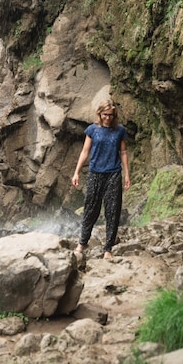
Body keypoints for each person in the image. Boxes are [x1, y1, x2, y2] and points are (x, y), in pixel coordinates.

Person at [72, 98, 130, 260]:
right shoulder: (92, 130)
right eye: (105, 114)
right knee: (90, 209)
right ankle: (82, 243)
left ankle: (108, 249)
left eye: (111, 115)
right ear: (99, 113)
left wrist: (127, 175)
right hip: (95, 173)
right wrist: (76, 172)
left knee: (112, 211)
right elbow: (85, 151)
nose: (108, 118)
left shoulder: (120, 130)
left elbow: (123, 153)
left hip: (113, 174)